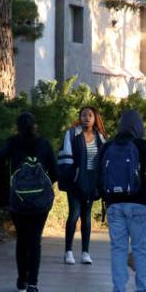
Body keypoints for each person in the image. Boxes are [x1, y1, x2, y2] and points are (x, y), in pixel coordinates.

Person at [98, 110, 146, 292]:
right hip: (138, 204)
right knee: (140, 249)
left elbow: (98, 173)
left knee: (118, 249)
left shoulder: (109, 145)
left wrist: (107, 197)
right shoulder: (142, 145)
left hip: (114, 205)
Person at [0, 112, 57, 292]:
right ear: (35, 126)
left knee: (22, 239)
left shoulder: (12, 142)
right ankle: (33, 286)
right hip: (40, 202)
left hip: (18, 200)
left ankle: (22, 279)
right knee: (35, 241)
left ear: (18, 127)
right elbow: (55, 171)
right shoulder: (44, 144)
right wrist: (44, 184)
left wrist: (6, 183)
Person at [58, 106, 106, 265]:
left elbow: (104, 160)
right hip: (76, 181)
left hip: (92, 181)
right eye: (83, 115)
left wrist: (101, 182)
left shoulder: (100, 137)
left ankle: (85, 252)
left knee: (86, 216)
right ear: (80, 117)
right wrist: (73, 177)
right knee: (74, 214)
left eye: (90, 115)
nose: (86, 117)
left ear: (95, 118)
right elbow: (66, 157)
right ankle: (68, 252)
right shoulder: (72, 134)